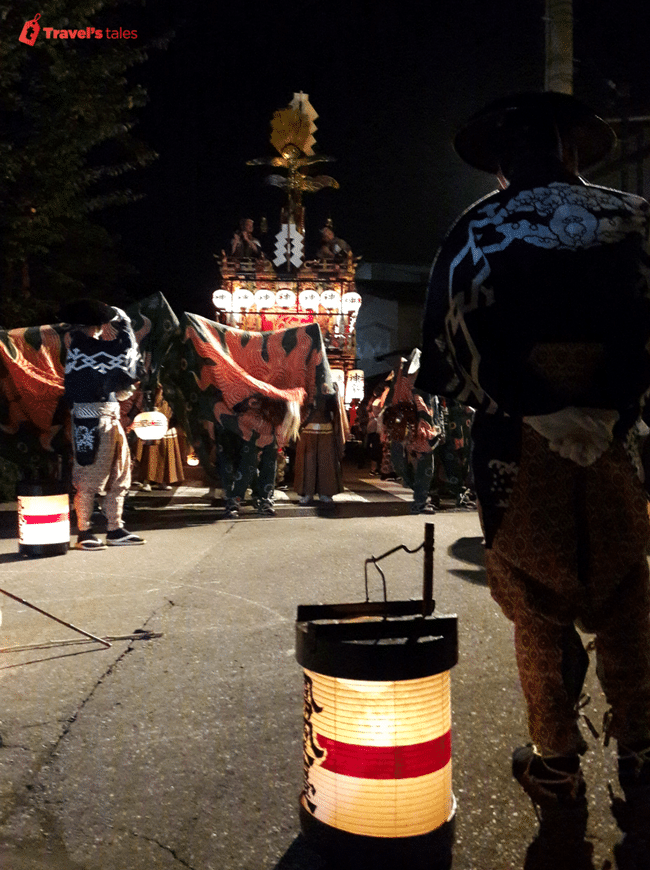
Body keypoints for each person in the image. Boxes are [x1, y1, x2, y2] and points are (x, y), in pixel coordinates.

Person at [416, 91, 650, 851]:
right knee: (626, 593)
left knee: (539, 607)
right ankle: (644, 757)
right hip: (623, 437)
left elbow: (451, 347)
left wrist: (531, 401)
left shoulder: (476, 228)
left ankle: (557, 764)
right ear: (572, 150)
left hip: (518, 442)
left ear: (502, 163)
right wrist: (613, 401)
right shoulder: (636, 217)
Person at [61, 299, 145, 549]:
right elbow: (124, 352)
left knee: (120, 472)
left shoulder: (82, 344)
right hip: (90, 416)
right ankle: (84, 530)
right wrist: (126, 324)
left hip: (108, 414)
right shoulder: (81, 345)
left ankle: (114, 528)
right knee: (90, 474)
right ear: (99, 323)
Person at [294, 384, 348, 506]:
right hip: (307, 429)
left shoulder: (331, 384)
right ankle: (307, 493)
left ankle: (325, 492)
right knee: (308, 463)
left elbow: (335, 410)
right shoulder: (305, 380)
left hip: (326, 430)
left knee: (326, 463)